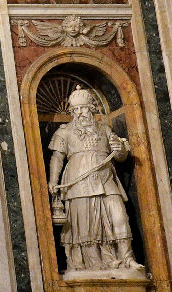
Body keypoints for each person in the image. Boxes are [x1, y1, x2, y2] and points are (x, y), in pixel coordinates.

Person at [47, 88, 140, 275]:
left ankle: (127, 259)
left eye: (83, 109)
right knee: (85, 223)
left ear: (91, 109)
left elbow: (119, 157)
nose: (80, 113)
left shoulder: (105, 129)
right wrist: (53, 180)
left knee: (119, 217)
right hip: (78, 180)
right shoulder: (64, 132)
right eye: (75, 110)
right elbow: (57, 157)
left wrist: (120, 149)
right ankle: (93, 263)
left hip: (105, 178)